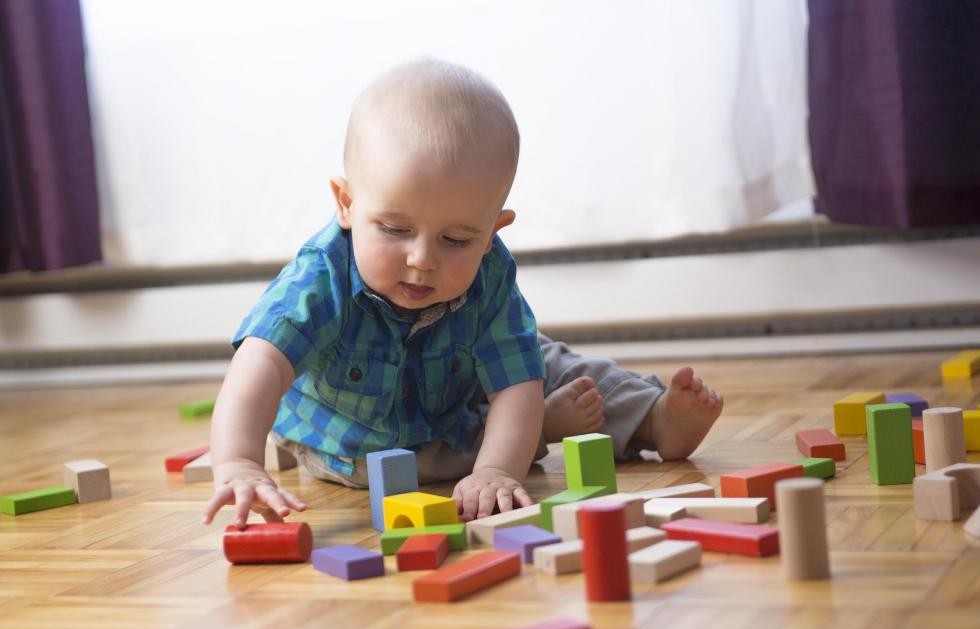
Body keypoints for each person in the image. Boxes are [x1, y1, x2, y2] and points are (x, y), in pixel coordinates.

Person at [201, 59, 722, 530]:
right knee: (396, 460)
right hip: (355, 433)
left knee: (552, 361)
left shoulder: (489, 273)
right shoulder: (317, 283)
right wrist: (240, 462)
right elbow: (258, 369)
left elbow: (518, 379)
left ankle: (653, 417)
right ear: (346, 203)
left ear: (494, 230)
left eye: (456, 239)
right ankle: (543, 429)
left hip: (451, 377)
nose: (422, 260)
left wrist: (496, 472)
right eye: (393, 229)